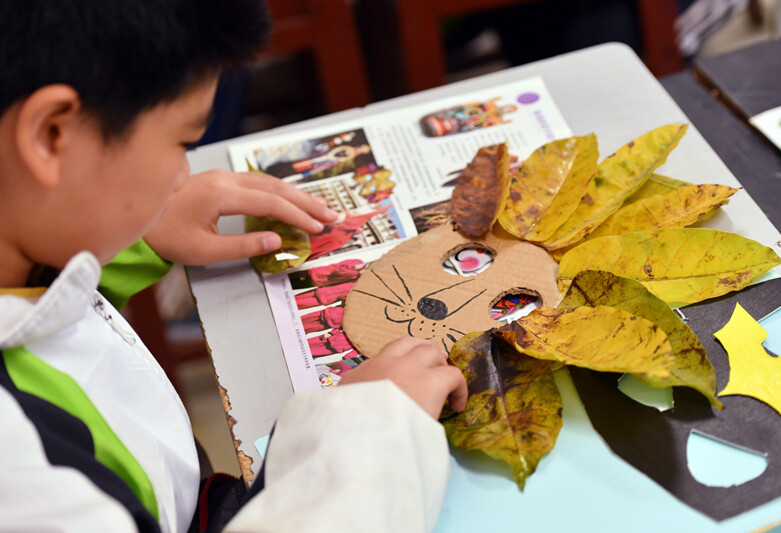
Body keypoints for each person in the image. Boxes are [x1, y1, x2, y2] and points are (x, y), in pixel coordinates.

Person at [0, 2, 468, 532]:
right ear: (51, 135)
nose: (183, 177)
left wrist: (130, 234)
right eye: (182, 143)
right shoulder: (22, 479)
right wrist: (371, 429)